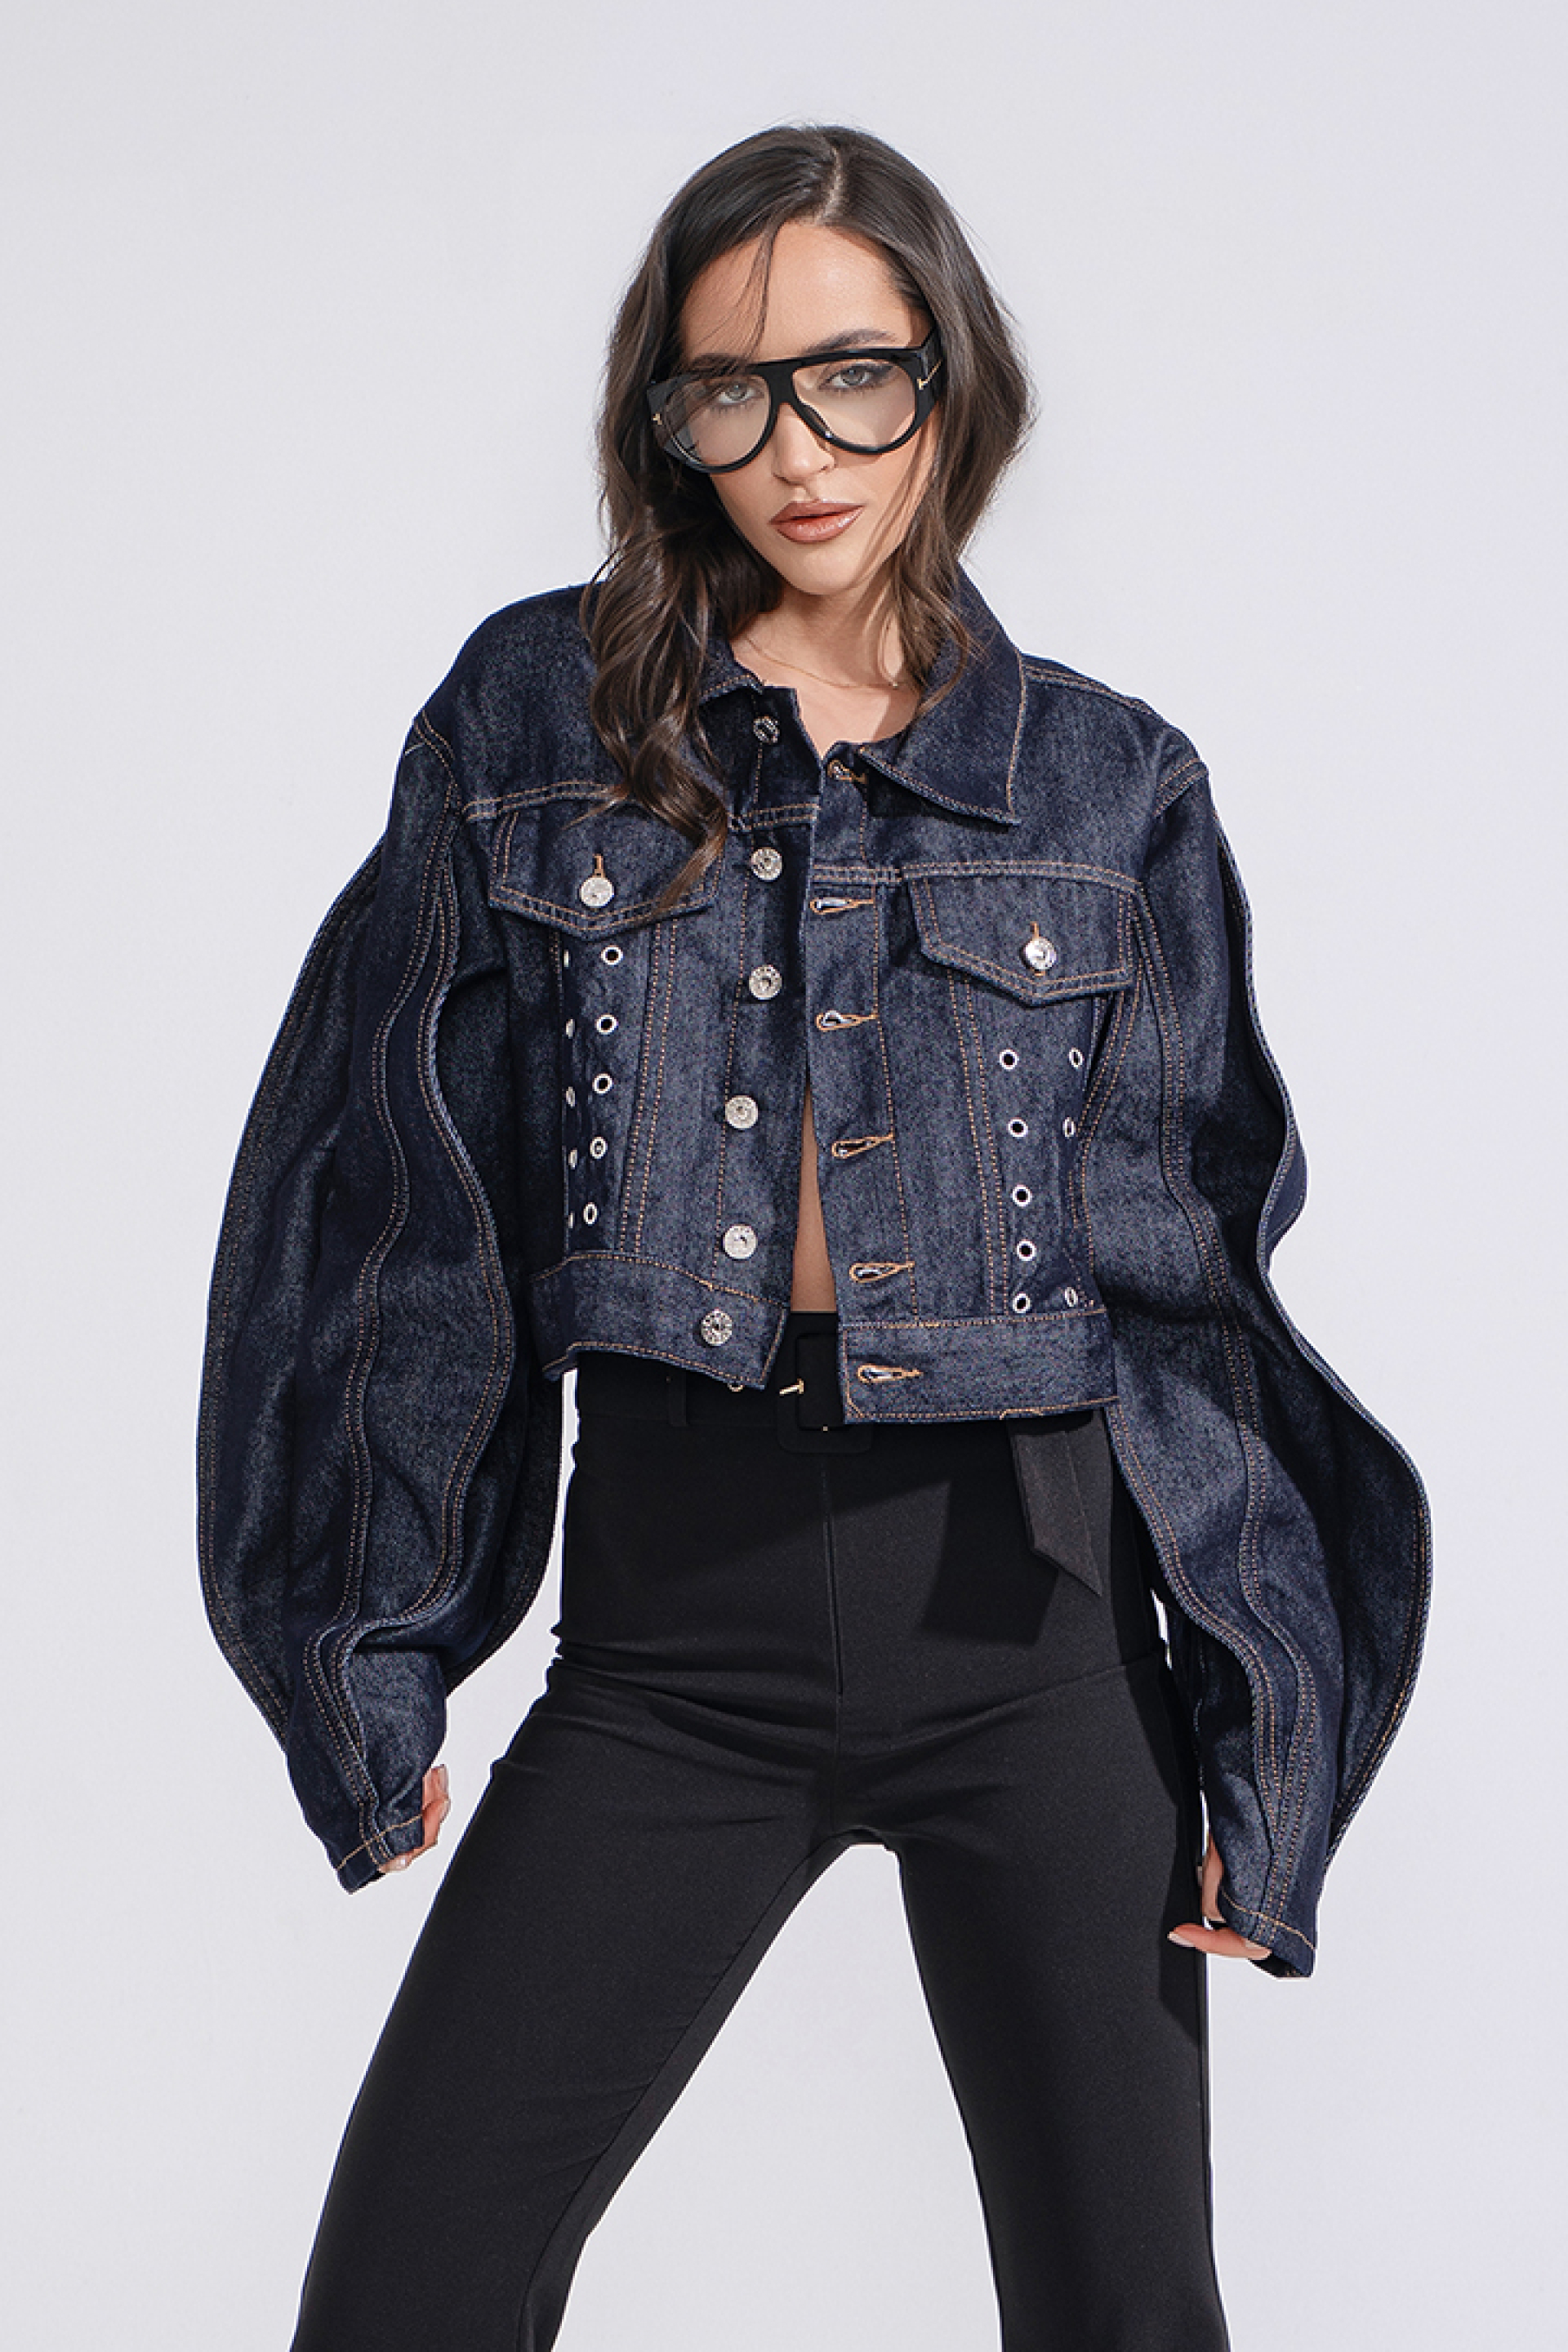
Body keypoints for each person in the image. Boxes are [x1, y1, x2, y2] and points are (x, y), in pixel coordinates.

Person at [198, 122, 1431, 2352]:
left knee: (1129, 2312)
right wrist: (363, 1637)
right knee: (405, 2295)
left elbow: (1191, 1288)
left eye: (855, 377)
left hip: (1042, 1631)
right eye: (731, 391)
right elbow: (386, 1193)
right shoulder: (536, 723)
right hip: (675, 1628)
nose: (796, 449)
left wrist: (1268, 1720)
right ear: (664, 417)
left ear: (948, 378)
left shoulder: (1108, 786)